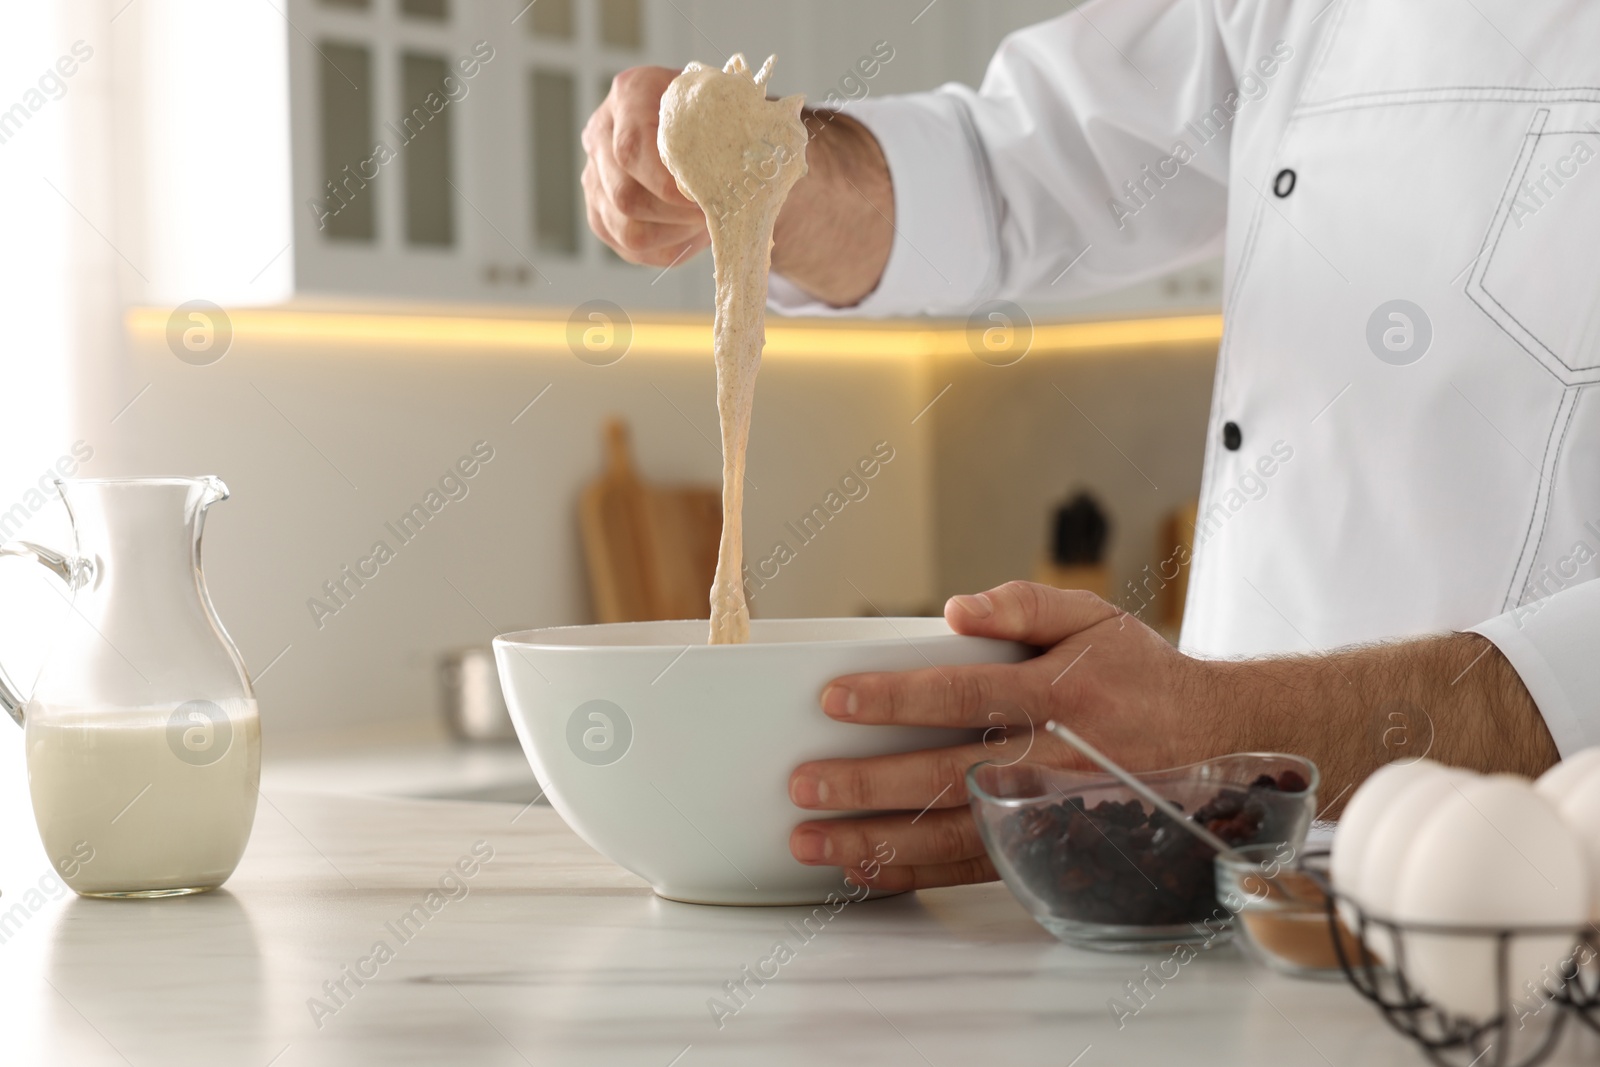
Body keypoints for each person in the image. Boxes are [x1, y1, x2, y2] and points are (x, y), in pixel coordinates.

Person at [581, 0, 1600, 891]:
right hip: (1244, 891)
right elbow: (1010, 168)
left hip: (1556, 910)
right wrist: (782, 171)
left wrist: (1219, 730)